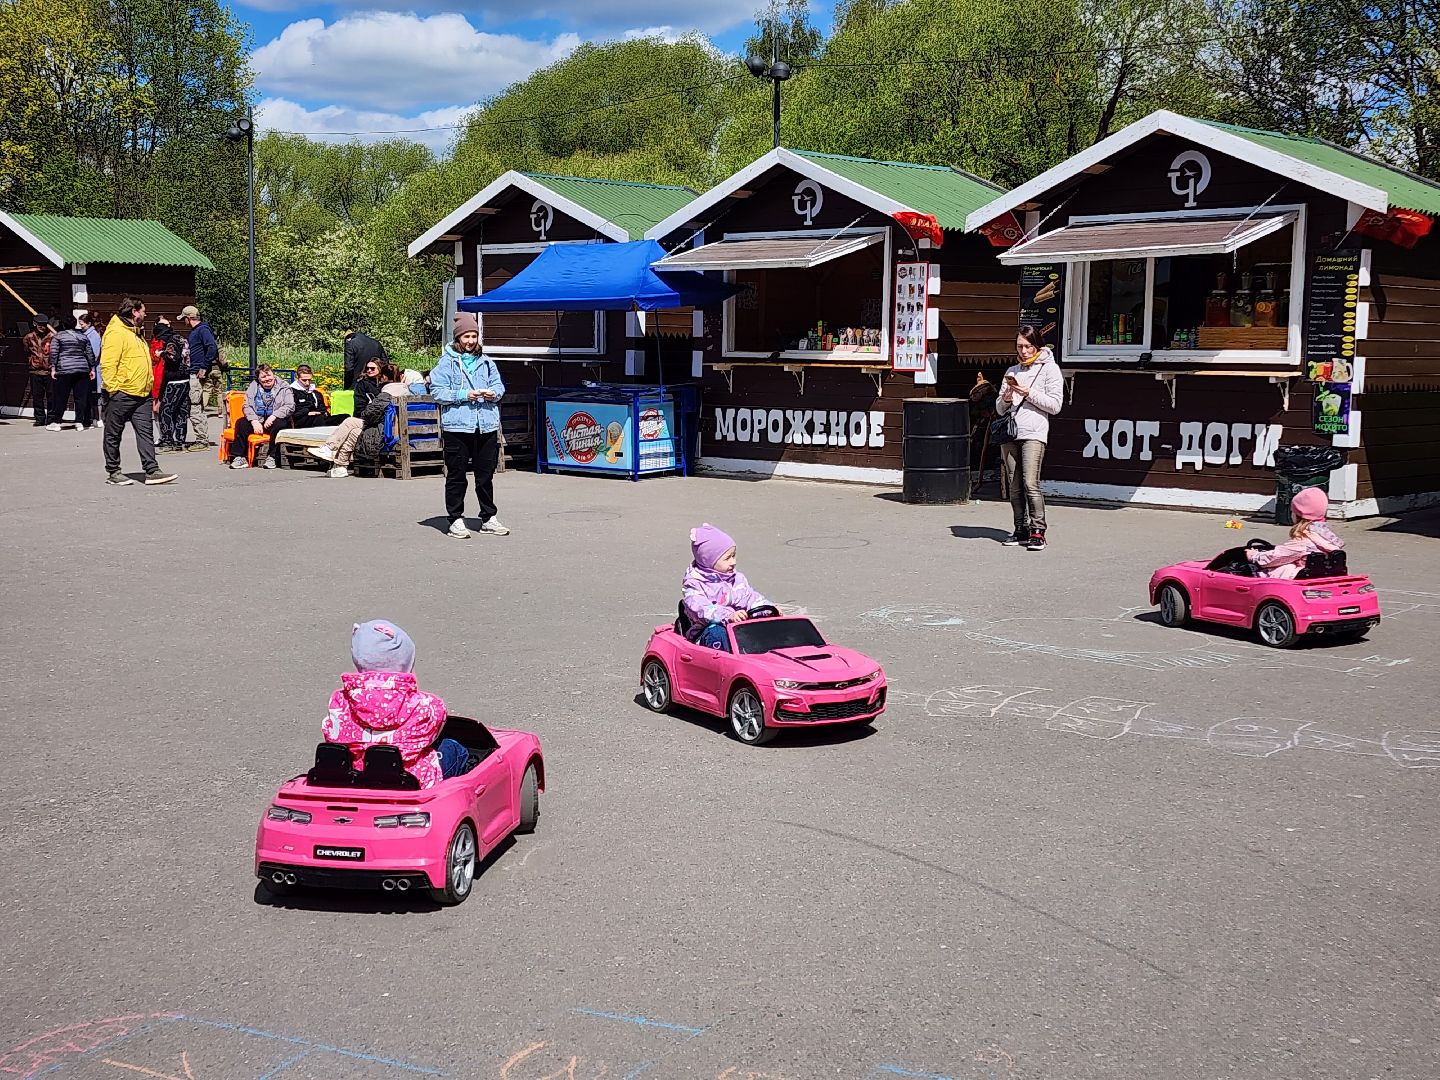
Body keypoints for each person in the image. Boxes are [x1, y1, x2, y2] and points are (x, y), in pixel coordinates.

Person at [321, 620, 471, 788]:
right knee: (454, 748)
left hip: (357, 774)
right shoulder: (423, 705)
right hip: (413, 779)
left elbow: (330, 733)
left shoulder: (340, 702)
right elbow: (435, 727)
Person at [429, 313, 508, 540]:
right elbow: (438, 392)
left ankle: (488, 518)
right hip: (457, 427)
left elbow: (499, 387)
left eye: (474, 336)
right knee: (457, 475)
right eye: (466, 336)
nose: (471, 341)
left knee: (485, 476)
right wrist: (465, 394)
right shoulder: (446, 363)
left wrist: (493, 393)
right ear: (458, 338)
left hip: (486, 425)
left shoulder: (487, 362)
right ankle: (455, 518)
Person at [996, 325, 1064, 551]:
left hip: (1034, 433)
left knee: (1030, 483)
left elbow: (1055, 406)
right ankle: (1020, 529)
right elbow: (999, 408)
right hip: (1010, 432)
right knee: (1014, 486)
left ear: (1037, 345)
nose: (1024, 351)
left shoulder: (1050, 369)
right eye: (1019, 347)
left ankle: (1038, 531)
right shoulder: (1012, 371)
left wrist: (1029, 393)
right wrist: (1006, 398)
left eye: (1027, 346)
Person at [100, 297, 175, 486]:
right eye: (143, 310)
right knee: (113, 433)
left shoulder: (136, 332)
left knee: (145, 433)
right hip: (122, 393)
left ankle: (152, 470)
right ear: (134, 311)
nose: (145, 314)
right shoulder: (116, 332)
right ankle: (114, 471)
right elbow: (108, 364)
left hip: (142, 394)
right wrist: (114, 389)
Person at [682, 523, 770, 651]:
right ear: (709, 560)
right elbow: (700, 608)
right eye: (727, 558)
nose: (733, 562)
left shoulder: (736, 578)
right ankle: (723, 665)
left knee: (765, 625)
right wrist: (729, 615)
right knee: (716, 632)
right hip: (705, 631)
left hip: (737, 627)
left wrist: (767, 608)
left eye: (734, 556)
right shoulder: (694, 584)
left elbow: (750, 597)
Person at [1248, 488, 1346, 579]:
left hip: (1299, 580)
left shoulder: (1303, 541)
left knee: (1285, 567)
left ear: (1297, 514)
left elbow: (1276, 557)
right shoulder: (1326, 537)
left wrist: (1254, 555)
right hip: (1318, 576)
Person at [229, 364, 294, 470]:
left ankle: (272, 457)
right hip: (258, 419)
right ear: (259, 379)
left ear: (273, 375)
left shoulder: (284, 387)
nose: (267, 379)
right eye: (263, 377)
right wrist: (254, 421)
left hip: (275, 419)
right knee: (241, 423)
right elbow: (247, 405)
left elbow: (290, 406)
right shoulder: (253, 386)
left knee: (280, 424)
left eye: (269, 376)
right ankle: (239, 457)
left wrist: (274, 416)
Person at [179, 304, 219, 449]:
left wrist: (203, 366)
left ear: (189, 318)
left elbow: (212, 347)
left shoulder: (202, 330)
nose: (183, 321)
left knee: (195, 406)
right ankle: (202, 438)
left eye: (184, 318)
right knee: (197, 406)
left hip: (197, 372)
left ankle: (201, 440)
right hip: (195, 371)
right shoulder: (200, 330)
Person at [47, 315, 95, 430]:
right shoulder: (83, 337)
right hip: (82, 369)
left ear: (63, 325)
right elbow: (90, 353)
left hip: (65, 370)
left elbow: (54, 353)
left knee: (61, 397)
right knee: (80, 397)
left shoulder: (58, 337)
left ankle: (57, 422)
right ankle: (79, 422)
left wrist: (53, 368)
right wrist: (92, 368)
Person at [153, 317, 191, 451]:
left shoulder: (170, 342)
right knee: (181, 411)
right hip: (186, 379)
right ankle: (180, 440)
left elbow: (173, 358)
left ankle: (168, 440)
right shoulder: (181, 338)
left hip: (174, 380)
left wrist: (162, 353)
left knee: (166, 410)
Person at [23, 313, 55, 427]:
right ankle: (40, 418)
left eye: (44, 325)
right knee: (37, 396)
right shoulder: (29, 337)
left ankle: (51, 418)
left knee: (51, 396)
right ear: (35, 324)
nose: (42, 327)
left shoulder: (52, 336)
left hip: (48, 370)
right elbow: (26, 351)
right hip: (35, 370)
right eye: (40, 325)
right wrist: (32, 361)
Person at [78, 312, 103, 425]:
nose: (80, 326)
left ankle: (98, 418)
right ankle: (92, 418)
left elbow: (95, 353)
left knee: (95, 394)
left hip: (93, 368)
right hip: (88, 367)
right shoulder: (85, 334)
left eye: (82, 324)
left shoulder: (93, 335)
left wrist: (89, 364)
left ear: (88, 323)